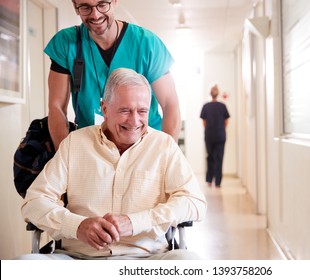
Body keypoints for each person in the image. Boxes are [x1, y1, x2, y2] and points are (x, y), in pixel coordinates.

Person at [16, 68, 206, 260]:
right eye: (125, 110)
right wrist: (77, 226)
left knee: (190, 262)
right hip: (77, 258)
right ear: (104, 108)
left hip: (148, 259)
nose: (134, 121)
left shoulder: (164, 146)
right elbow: (33, 202)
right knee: (22, 266)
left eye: (142, 111)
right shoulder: (75, 143)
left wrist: (135, 222)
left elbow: (194, 202)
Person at [46, 0, 181, 150]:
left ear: (115, 1)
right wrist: (66, 156)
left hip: (145, 146)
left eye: (102, 4)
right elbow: (56, 106)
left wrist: (166, 156)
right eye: (85, 7)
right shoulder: (66, 43)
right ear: (75, 7)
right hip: (92, 147)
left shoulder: (146, 43)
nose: (95, 15)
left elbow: (170, 105)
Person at [200, 85, 230, 188]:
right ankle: (218, 182)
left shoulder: (206, 106)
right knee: (219, 158)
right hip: (220, 135)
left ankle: (209, 180)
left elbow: (204, 122)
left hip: (209, 135)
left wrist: (210, 129)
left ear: (210, 93)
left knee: (210, 157)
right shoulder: (223, 106)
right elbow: (226, 122)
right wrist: (221, 129)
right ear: (217, 94)